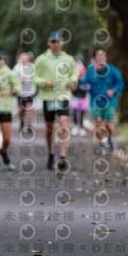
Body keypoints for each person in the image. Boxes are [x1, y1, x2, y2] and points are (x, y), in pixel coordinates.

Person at [31, 31, 79, 171]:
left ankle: (63, 156)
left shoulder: (69, 59)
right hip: (48, 97)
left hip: (63, 95)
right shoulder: (41, 59)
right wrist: (45, 82)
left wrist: (72, 81)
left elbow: (74, 73)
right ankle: (51, 153)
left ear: (62, 43)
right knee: (50, 127)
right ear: (49, 43)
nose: (56, 44)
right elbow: (34, 77)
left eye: (58, 41)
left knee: (64, 124)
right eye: (53, 42)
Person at [80, 47, 125, 155]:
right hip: (95, 101)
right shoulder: (90, 71)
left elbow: (120, 83)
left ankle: (110, 139)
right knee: (98, 123)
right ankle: (102, 145)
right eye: (98, 55)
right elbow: (83, 84)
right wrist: (87, 87)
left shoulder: (113, 70)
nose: (101, 57)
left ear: (105, 57)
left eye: (103, 55)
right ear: (95, 58)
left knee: (109, 125)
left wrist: (113, 90)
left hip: (109, 101)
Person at [12, 51, 37, 133]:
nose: (24, 59)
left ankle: (29, 125)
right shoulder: (16, 67)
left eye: (25, 57)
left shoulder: (32, 67)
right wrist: (19, 80)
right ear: (20, 58)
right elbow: (13, 79)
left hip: (30, 92)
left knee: (29, 108)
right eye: (22, 57)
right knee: (21, 109)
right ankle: (22, 123)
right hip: (20, 92)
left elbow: (36, 78)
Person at [71, 63, 89, 136]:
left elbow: (87, 90)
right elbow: (72, 89)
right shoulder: (74, 80)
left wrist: (85, 88)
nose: (81, 75)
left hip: (83, 99)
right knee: (75, 113)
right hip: (75, 99)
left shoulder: (85, 81)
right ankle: (75, 126)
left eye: (82, 74)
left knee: (82, 115)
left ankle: (81, 127)